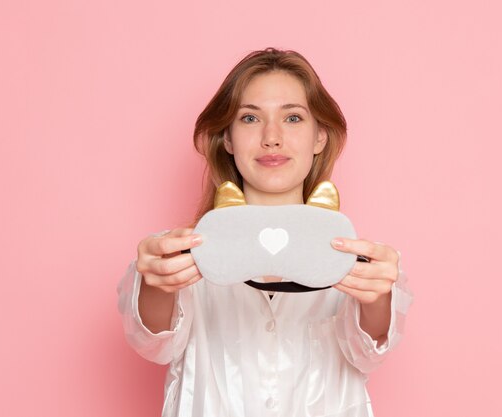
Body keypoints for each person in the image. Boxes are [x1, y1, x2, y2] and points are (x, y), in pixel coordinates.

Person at [117, 47, 414, 417]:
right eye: (249, 118)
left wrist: (375, 297)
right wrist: (157, 283)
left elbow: (367, 352)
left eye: (292, 118)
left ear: (320, 136)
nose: (271, 137)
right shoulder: (180, 251)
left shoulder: (359, 258)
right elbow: (154, 344)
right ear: (227, 139)